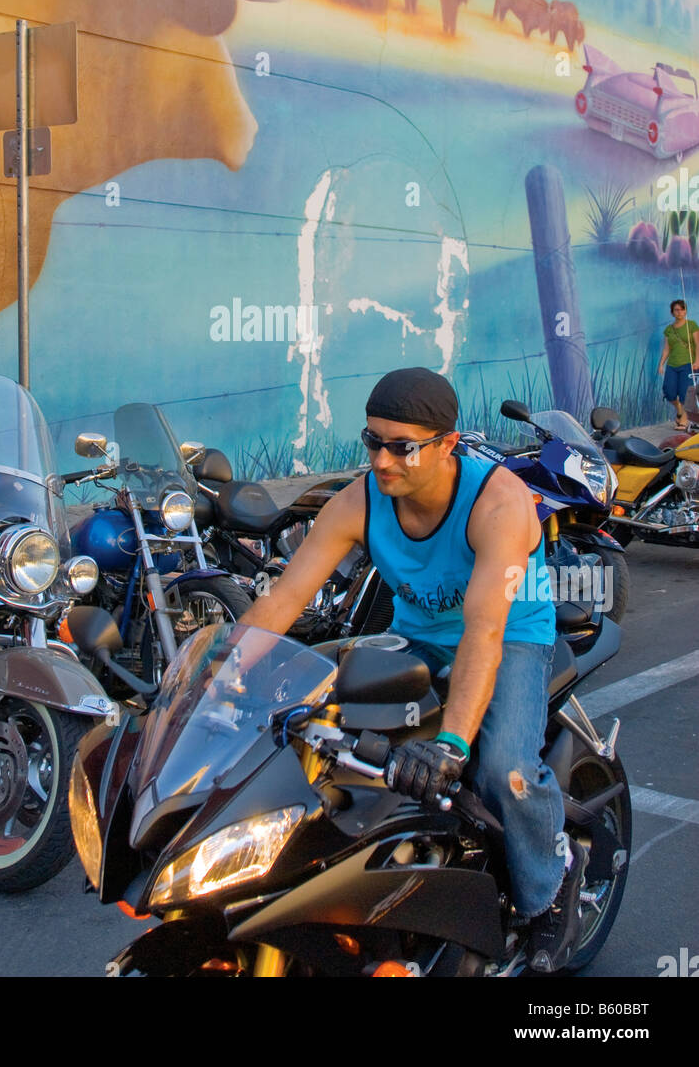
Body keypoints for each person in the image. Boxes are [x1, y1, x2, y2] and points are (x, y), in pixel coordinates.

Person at [241, 366, 586, 973]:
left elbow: (483, 630)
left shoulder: (497, 502)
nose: (381, 459)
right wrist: (221, 685)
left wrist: (452, 744)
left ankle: (550, 885)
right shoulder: (361, 500)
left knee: (503, 769)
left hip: (509, 638)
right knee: (325, 732)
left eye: (401, 446)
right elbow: (284, 599)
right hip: (415, 639)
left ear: (447, 444)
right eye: (372, 441)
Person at [657, 299, 699, 429]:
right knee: (669, 391)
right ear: (672, 312)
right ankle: (679, 411)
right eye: (676, 310)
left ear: (685, 311)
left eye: (682, 309)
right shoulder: (669, 329)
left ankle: (684, 421)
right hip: (672, 365)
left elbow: (698, 344)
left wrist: (697, 361)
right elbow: (666, 349)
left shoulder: (691, 325)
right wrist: (661, 364)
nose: (679, 312)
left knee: (684, 393)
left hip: (688, 364)